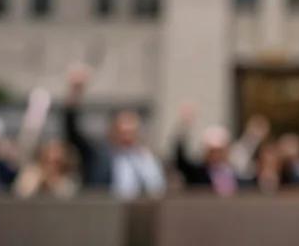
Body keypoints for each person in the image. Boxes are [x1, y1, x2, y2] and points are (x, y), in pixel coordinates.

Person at [63, 64, 164, 199]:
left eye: (131, 132)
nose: (127, 137)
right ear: (114, 131)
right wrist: (75, 95)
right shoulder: (99, 155)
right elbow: (72, 133)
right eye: (123, 132)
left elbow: (157, 190)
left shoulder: (147, 159)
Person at [171, 103, 236, 195]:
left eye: (220, 151)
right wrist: (184, 127)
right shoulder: (196, 173)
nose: (216, 155)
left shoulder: (234, 173)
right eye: (212, 151)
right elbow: (180, 160)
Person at [13, 139, 78, 198]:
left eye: (56, 163)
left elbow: (69, 197)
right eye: (48, 161)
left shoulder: (68, 179)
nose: (51, 167)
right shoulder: (31, 173)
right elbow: (20, 194)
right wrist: (40, 182)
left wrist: (53, 184)